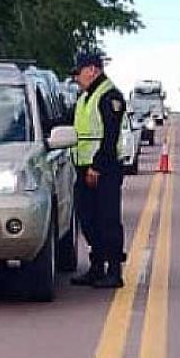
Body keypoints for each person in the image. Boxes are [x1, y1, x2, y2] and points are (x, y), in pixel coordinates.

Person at [69, 51, 127, 288]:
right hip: (84, 167)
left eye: (79, 72)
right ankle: (96, 266)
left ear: (93, 70)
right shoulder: (85, 98)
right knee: (88, 218)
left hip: (104, 168)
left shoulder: (109, 96)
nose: (76, 78)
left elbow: (110, 136)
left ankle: (114, 271)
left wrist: (97, 166)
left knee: (108, 219)